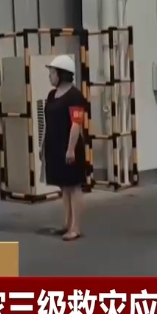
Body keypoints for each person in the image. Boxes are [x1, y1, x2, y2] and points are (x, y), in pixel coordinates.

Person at [41, 55, 89, 242]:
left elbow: (76, 123)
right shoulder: (51, 95)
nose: (50, 76)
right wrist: (43, 145)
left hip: (70, 146)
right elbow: (49, 123)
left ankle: (75, 227)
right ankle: (67, 223)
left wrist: (70, 149)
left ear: (62, 74)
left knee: (74, 186)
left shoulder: (75, 96)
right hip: (54, 145)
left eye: (52, 73)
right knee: (64, 187)